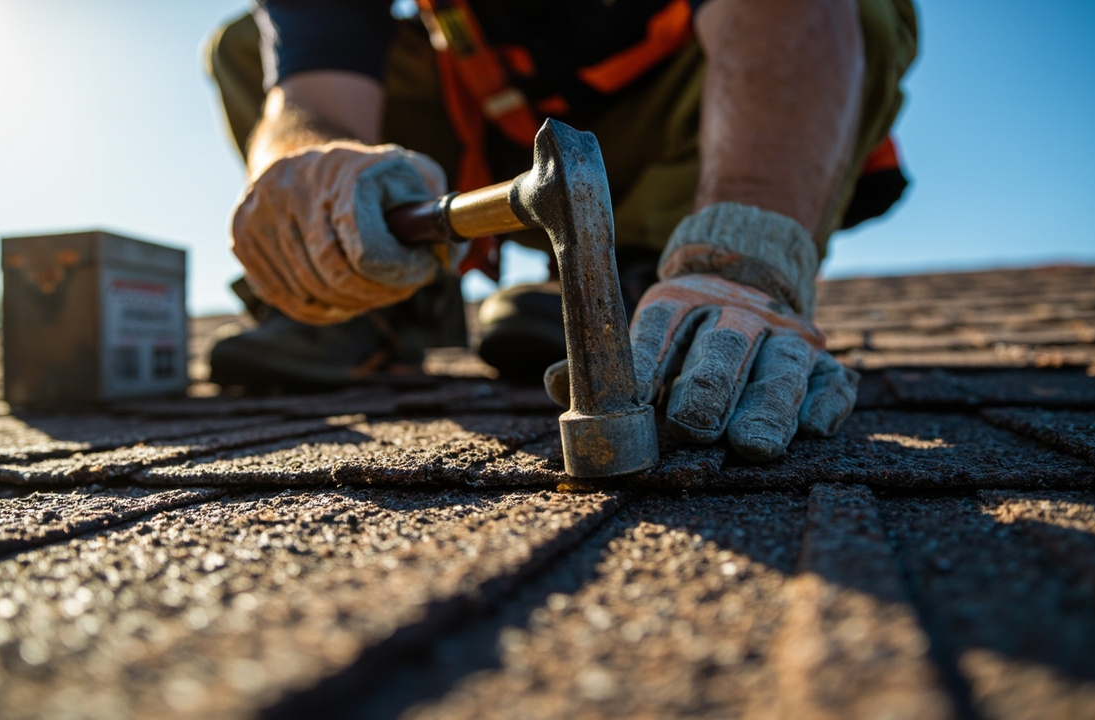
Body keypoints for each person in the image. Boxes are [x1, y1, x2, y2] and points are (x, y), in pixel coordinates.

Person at [204, 0, 918, 462]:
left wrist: (746, 251)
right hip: (500, 129)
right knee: (244, 45)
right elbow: (310, 95)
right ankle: (380, 297)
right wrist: (315, 180)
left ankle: (650, 270)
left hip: (705, 121)